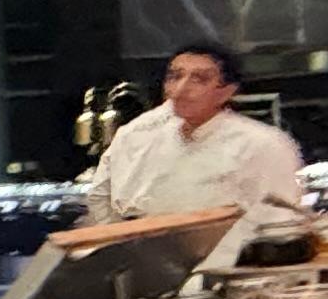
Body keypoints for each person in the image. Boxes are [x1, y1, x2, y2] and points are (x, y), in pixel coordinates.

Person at [82, 42, 311, 240]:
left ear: (226, 91)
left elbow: (281, 224)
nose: (181, 89)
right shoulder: (136, 135)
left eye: (199, 79)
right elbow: (101, 200)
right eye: (175, 77)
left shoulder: (263, 144)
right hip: (142, 260)